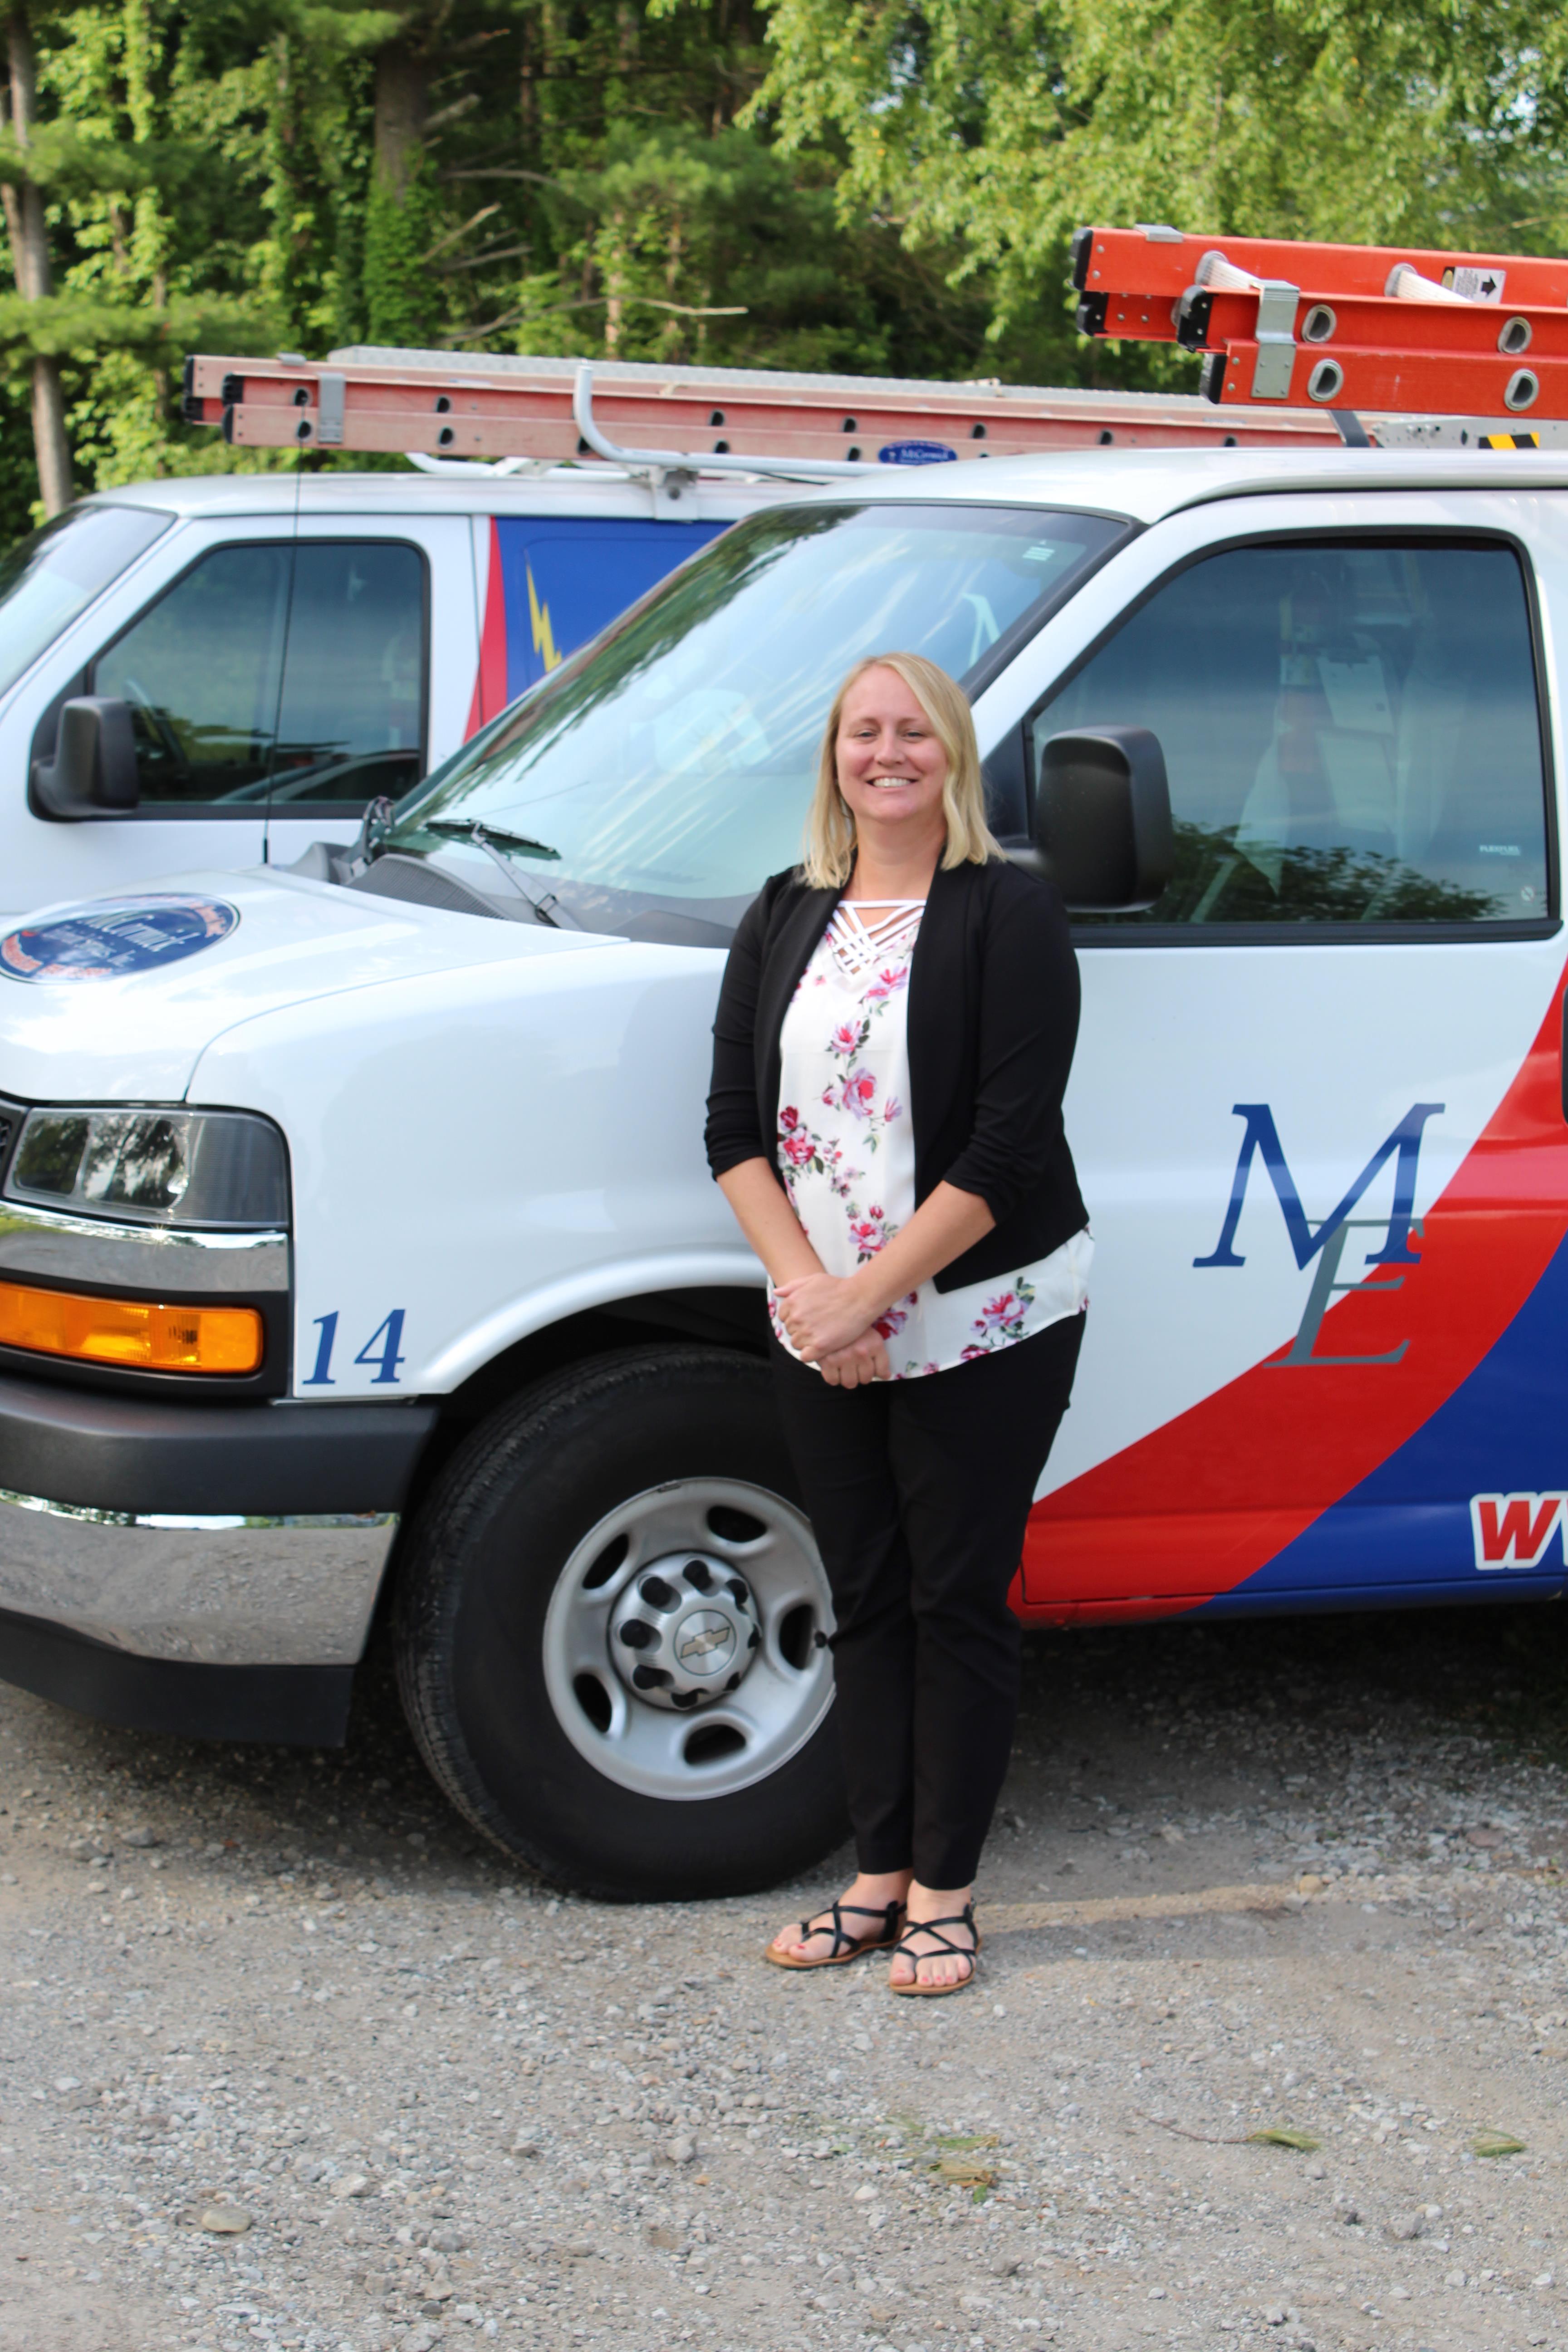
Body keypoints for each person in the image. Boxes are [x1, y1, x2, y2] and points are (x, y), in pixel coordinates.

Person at [704, 651, 1090, 1995]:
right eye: (863, 732)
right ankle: (873, 1879)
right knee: (862, 1595)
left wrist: (876, 1293)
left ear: (954, 756)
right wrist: (821, 1300)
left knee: (956, 1596)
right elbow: (732, 1133)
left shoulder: (1009, 916)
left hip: (984, 1316)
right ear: (833, 758)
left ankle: (947, 1894)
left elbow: (1009, 1148)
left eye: (912, 732)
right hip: (821, 1315)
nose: (887, 753)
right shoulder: (783, 912)